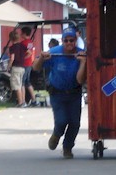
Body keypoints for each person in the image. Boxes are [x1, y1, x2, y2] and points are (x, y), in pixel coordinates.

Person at [32, 27, 87, 159]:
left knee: (75, 123)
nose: (69, 43)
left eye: (72, 40)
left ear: (76, 41)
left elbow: (80, 80)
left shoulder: (81, 54)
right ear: (62, 41)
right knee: (62, 121)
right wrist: (41, 59)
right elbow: (35, 67)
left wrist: (84, 62)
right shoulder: (54, 52)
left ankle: (67, 147)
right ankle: (56, 135)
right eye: (66, 40)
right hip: (57, 93)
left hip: (74, 92)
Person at [7, 31, 27, 107]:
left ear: (11, 39)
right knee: (21, 85)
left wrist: (8, 67)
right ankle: (23, 101)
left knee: (16, 86)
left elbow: (12, 58)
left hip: (16, 68)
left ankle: (20, 103)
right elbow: (29, 52)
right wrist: (23, 58)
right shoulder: (22, 45)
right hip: (22, 67)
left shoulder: (12, 47)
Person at [20, 26, 39, 107]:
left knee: (22, 83)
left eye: (21, 33)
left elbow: (29, 53)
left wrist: (22, 58)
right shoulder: (30, 42)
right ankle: (34, 100)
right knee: (27, 82)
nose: (20, 34)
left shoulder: (23, 43)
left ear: (24, 33)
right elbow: (31, 52)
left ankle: (23, 101)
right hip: (29, 64)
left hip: (24, 64)